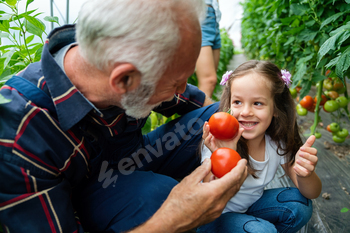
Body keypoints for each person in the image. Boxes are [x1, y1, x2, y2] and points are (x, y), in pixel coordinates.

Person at [0, 0, 248, 232]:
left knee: (224, 116)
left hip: (135, 157)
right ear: (124, 80)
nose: (182, 90)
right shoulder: (19, 137)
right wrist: (174, 219)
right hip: (83, 198)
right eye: (176, 82)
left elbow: (194, 100)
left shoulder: (119, 50)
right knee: (157, 197)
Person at [198, 60, 322, 232]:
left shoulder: (277, 143)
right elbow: (209, 200)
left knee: (300, 204)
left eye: (257, 103)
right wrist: (224, 153)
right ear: (229, 104)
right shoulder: (217, 143)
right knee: (263, 230)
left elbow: (312, 193)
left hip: (249, 209)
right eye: (238, 102)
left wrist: (305, 174)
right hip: (214, 219)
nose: (246, 112)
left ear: (276, 109)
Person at [195, 0, 222, 98]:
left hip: (214, 17)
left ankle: (202, 112)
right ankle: (200, 113)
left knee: (211, 83)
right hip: (200, 13)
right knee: (209, 81)